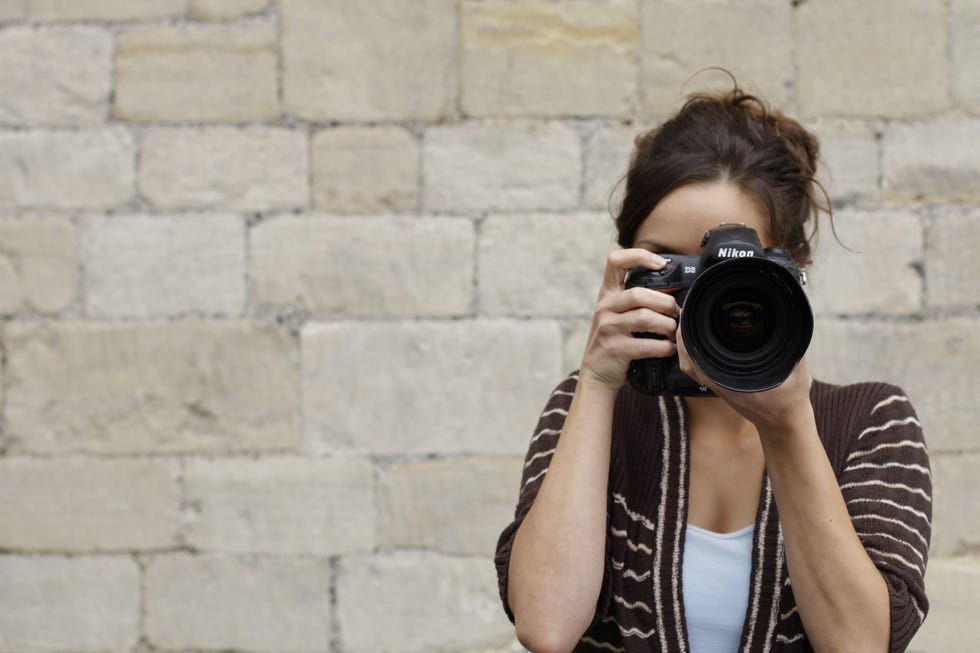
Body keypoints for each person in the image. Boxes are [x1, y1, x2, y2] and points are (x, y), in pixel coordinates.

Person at [494, 85, 931, 653]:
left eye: (723, 275)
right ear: (626, 266)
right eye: (670, 267)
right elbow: (546, 627)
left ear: (791, 270)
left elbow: (860, 645)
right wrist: (599, 383)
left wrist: (789, 425)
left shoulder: (871, 421)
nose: (696, 298)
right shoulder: (593, 413)